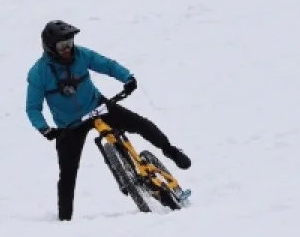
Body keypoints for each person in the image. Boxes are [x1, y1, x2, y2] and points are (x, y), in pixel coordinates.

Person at [27, 21, 190, 222]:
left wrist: (127, 78)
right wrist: (45, 129)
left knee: (141, 124)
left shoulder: (81, 55)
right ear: (50, 48)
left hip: (98, 107)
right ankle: (64, 222)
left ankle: (171, 151)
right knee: (68, 175)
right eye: (62, 46)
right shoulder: (38, 73)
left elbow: (106, 65)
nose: (68, 48)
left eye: (69, 42)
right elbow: (32, 108)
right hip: (70, 126)